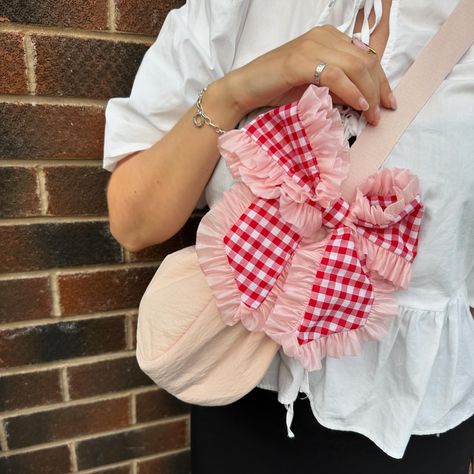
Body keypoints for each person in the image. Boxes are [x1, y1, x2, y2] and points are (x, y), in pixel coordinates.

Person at [103, 1, 474, 472]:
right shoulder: (235, 8)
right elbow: (134, 223)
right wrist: (236, 92)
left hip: (411, 417)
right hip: (239, 385)